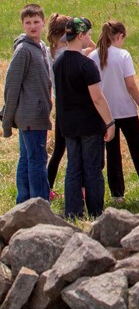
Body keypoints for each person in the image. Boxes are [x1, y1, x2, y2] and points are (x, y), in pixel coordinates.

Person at [53, 17, 116, 218]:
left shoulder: (58, 63)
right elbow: (97, 97)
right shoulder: (86, 64)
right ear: (80, 35)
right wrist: (110, 122)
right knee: (93, 168)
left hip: (68, 124)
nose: (89, 37)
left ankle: (73, 211)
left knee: (73, 167)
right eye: (88, 34)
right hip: (89, 124)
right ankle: (96, 210)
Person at [89, 21, 139, 202]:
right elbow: (130, 84)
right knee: (136, 148)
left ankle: (117, 194)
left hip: (105, 112)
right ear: (119, 36)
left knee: (112, 151)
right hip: (126, 110)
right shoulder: (123, 55)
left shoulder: (93, 55)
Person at [2, 4, 52, 204]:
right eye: (28, 22)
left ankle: (23, 203)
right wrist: (7, 121)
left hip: (37, 114)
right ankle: (39, 205)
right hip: (30, 116)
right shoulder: (23, 51)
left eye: (36, 22)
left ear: (43, 22)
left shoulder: (39, 48)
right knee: (37, 160)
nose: (32, 26)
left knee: (27, 159)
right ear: (22, 24)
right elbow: (11, 86)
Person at [45, 13, 71, 197]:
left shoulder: (48, 51)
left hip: (59, 102)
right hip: (73, 104)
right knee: (74, 150)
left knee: (58, 150)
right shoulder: (67, 52)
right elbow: (91, 47)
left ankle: (48, 186)